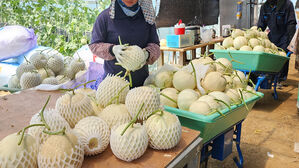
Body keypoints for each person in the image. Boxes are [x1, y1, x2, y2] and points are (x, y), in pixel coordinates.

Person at [89, 0, 160, 88]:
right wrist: (112, 50)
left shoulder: (147, 17)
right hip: (113, 84)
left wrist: (147, 54)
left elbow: (155, 45)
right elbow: (94, 45)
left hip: (141, 84)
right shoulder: (105, 17)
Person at [257, 0, 297, 84]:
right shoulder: (264, 7)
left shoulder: (287, 4)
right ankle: (271, 78)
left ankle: (281, 79)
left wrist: (291, 42)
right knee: (271, 58)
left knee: (282, 59)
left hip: (284, 37)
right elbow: (261, 25)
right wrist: (257, 36)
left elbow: (291, 24)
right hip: (272, 37)